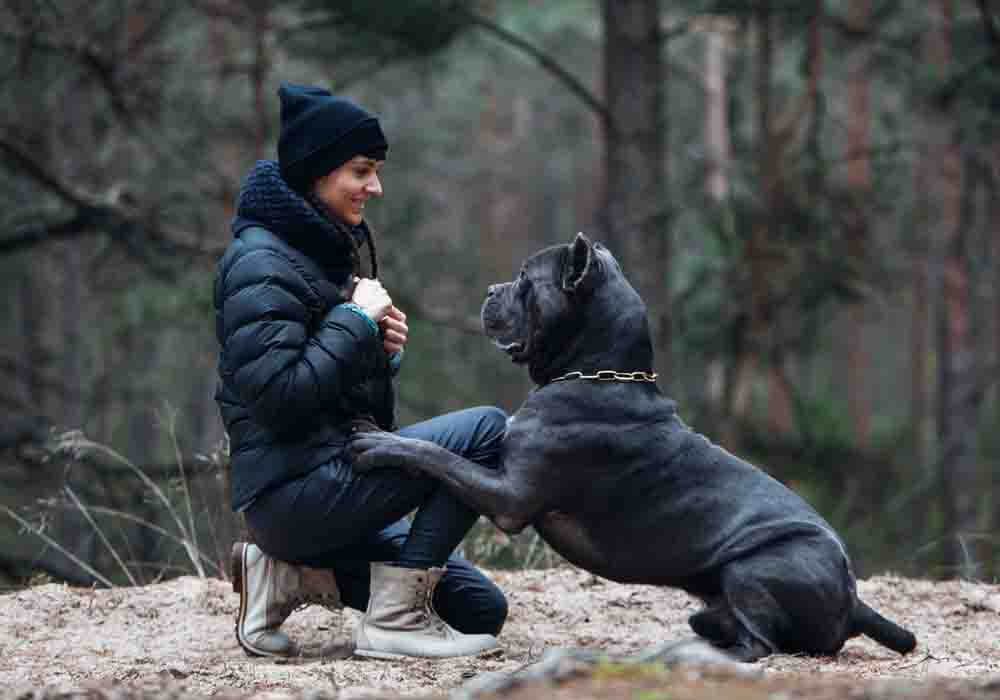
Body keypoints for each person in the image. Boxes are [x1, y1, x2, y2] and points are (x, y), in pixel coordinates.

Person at [214, 82, 508, 660]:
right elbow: (279, 399)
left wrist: (379, 352)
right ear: (316, 173)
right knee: (489, 432)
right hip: (292, 493)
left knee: (479, 608)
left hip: (322, 484)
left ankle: (285, 576)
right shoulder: (258, 262)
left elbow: (330, 392)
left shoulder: (314, 251)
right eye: (361, 171)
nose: (374, 186)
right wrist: (353, 322)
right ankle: (396, 621)